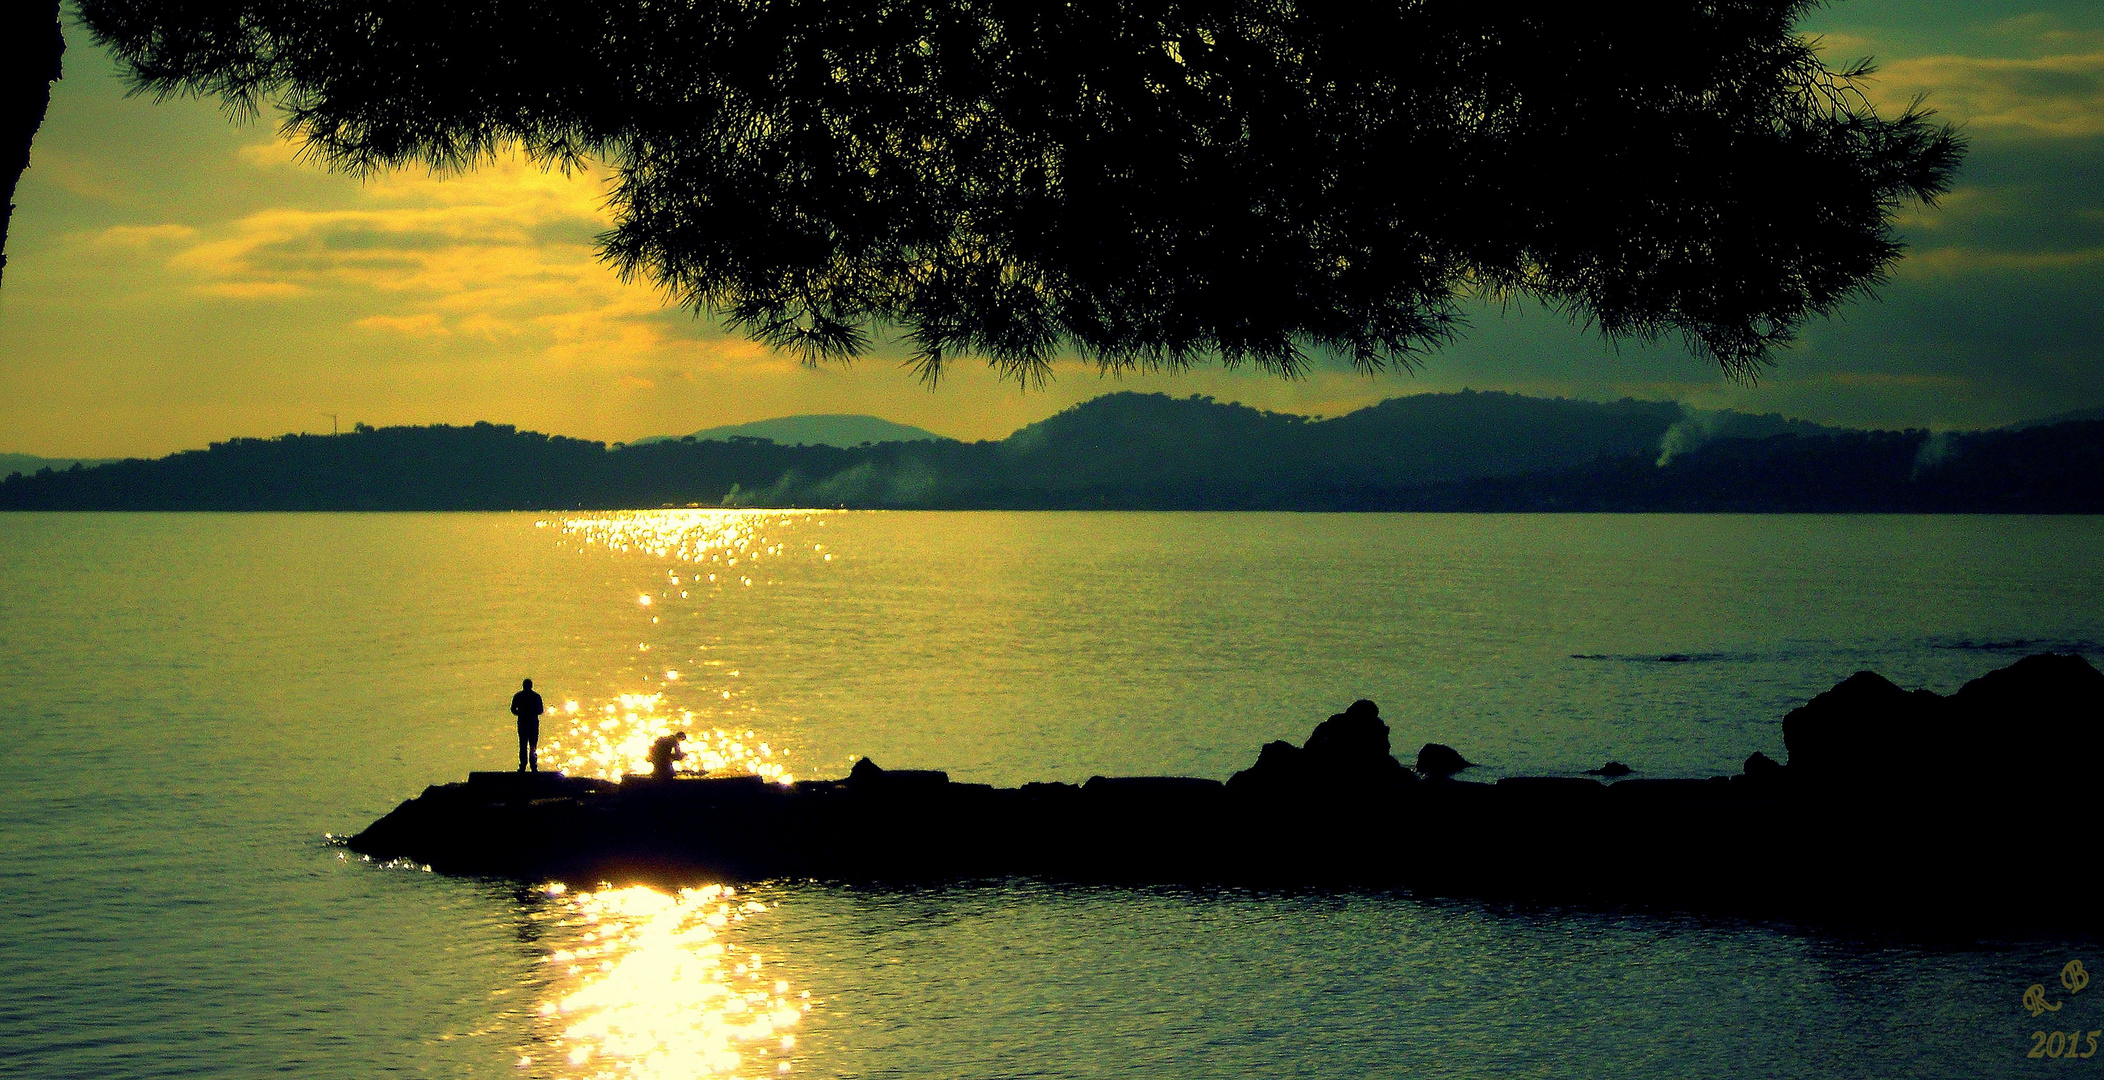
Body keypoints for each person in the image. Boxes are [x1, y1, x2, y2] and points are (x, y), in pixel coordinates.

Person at [511, 679, 545, 772]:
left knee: (524, 745)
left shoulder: (518, 696)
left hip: (524, 723)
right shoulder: (536, 696)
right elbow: (540, 710)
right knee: (531, 746)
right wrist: (530, 713)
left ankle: (524, 766)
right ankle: (532, 767)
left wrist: (521, 713)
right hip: (531, 723)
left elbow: (513, 710)